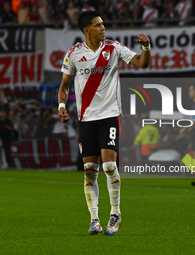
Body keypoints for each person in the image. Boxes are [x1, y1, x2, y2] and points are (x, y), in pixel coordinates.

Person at [58, 11, 150, 235]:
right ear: (86, 30)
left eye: (103, 24)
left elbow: (142, 63)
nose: (103, 28)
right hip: (86, 119)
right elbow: (64, 86)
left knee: (109, 166)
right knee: (89, 170)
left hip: (109, 115)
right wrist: (61, 106)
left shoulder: (114, 48)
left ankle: (116, 213)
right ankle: (94, 220)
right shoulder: (74, 54)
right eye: (98, 25)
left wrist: (146, 48)